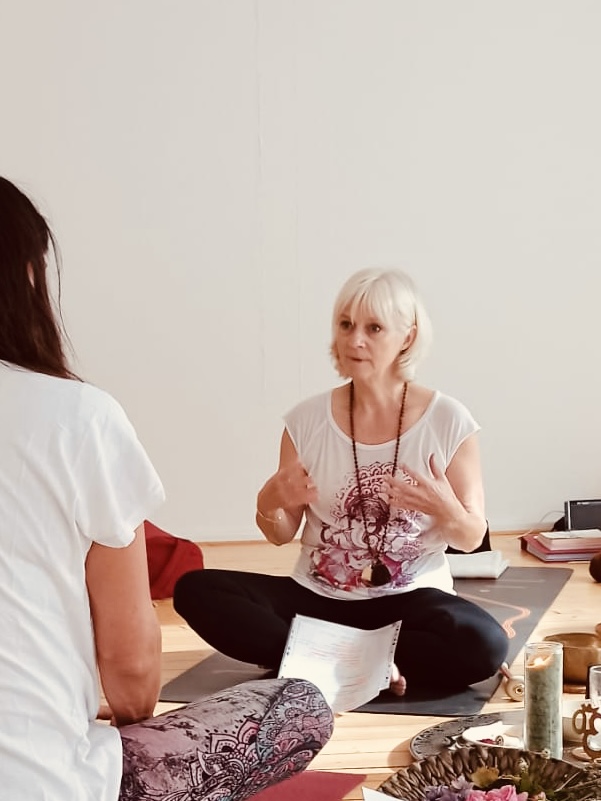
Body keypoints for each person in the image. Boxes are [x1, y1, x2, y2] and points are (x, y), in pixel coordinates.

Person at [0, 176, 333, 801]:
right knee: (300, 706)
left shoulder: (438, 418)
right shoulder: (80, 417)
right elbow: (131, 670)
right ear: (26, 276)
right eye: (348, 326)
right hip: (45, 781)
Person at [174, 267, 509, 696]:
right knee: (196, 590)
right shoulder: (306, 421)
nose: (355, 340)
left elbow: (470, 537)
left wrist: (446, 510)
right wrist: (268, 500)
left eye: (374, 328)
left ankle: (315, 659)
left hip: (411, 603)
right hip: (315, 600)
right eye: (346, 325)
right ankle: (362, 664)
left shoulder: (448, 421)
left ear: (407, 337)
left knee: (485, 641)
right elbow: (281, 534)